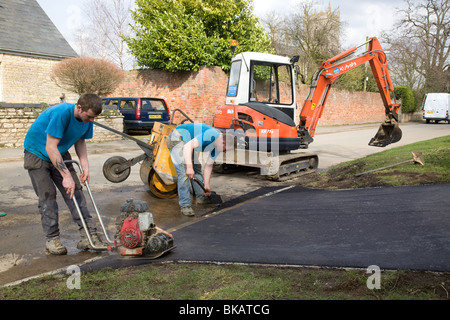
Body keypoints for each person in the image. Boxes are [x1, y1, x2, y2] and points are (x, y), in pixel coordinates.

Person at [23, 93, 105, 255]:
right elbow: (50, 147)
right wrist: (66, 176)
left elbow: (80, 141)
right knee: (48, 196)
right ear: (79, 107)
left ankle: (89, 235)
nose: (90, 120)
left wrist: (85, 167)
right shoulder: (61, 113)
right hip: (37, 152)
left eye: (93, 118)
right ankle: (52, 239)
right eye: (88, 116)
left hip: (59, 151)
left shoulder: (87, 118)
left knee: (76, 193)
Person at [167, 123, 235, 217]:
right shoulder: (211, 135)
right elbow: (187, 147)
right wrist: (189, 168)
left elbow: (208, 165)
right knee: (184, 174)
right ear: (223, 143)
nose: (224, 152)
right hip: (177, 137)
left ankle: (201, 197)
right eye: (225, 150)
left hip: (187, 142)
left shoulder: (218, 146)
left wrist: (206, 185)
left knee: (197, 169)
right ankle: (185, 205)